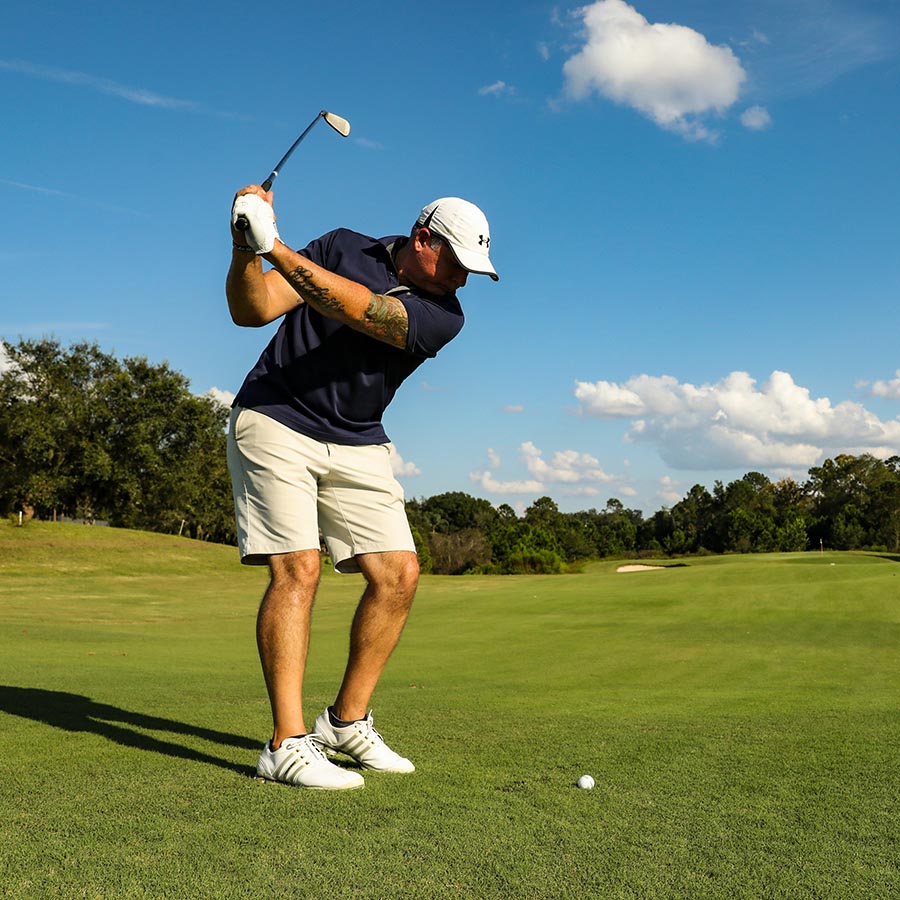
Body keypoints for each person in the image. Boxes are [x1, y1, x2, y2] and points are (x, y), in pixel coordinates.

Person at [225, 185, 498, 790]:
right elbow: (254, 310)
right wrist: (246, 248)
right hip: (274, 417)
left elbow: (365, 312)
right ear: (422, 239)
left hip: (357, 438)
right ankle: (286, 744)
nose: (462, 278)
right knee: (298, 569)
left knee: (398, 574)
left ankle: (345, 723)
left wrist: (276, 247)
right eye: (456, 263)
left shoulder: (445, 316)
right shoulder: (342, 246)